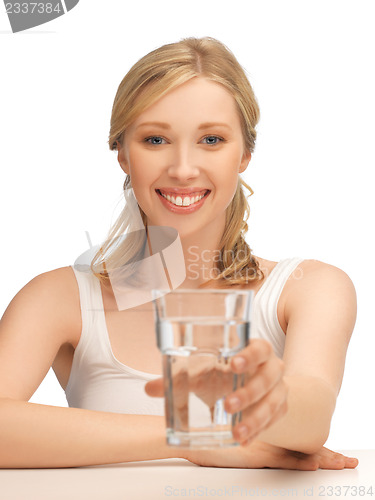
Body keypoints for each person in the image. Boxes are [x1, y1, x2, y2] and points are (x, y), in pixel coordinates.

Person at [0, 37, 358, 470]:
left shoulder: (310, 289)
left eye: (211, 139)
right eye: (155, 140)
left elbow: (312, 418)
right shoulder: (59, 298)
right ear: (122, 154)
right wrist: (186, 436)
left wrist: (272, 395)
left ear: (244, 153)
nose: (184, 168)